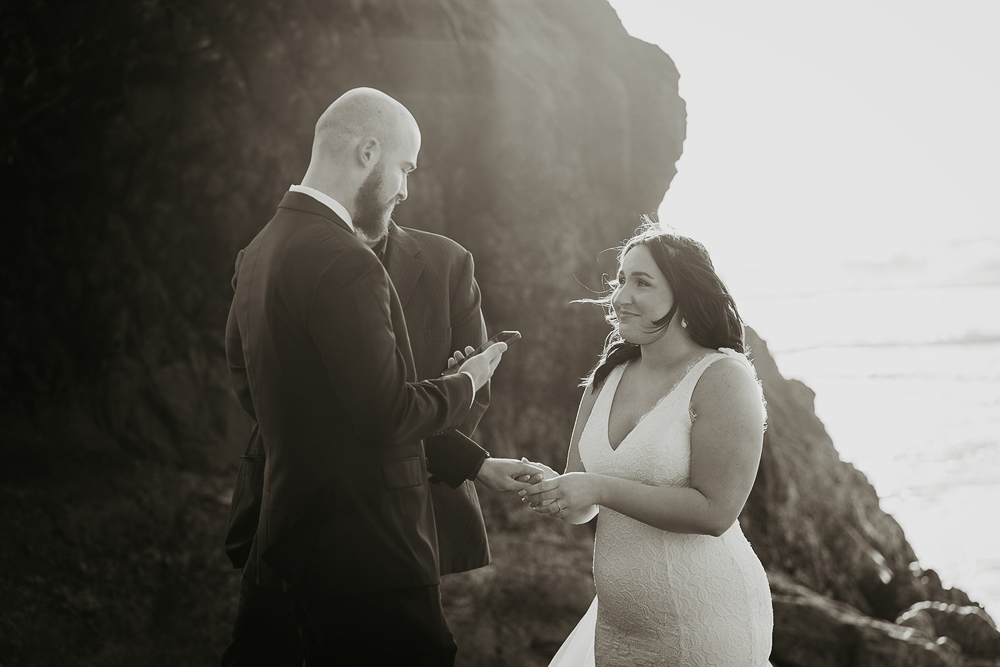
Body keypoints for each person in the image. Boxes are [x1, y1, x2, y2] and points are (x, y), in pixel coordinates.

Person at [224, 87, 542, 666]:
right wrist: (465, 381)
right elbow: (386, 413)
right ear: (369, 152)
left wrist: (470, 458)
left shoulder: (259, 250)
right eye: (404, 167)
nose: (405, 187)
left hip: (286, 538)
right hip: (370, 551)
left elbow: (251, 382)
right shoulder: (348, 260)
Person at [221, 216, 510, 666]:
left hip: (396, 524)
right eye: (402, 170)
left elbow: (473, 394)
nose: (404, 190)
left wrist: (454, 429)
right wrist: (471, 462)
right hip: (289, 512)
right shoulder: (267, 257)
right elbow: (261, 391)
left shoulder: (449, 261)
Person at [522, 223, 773, 666]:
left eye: (642, 282)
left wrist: (597, 487)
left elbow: (716, 512)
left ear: (685, 297)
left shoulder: (723, 378)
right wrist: (553, 489)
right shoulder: (607, 377)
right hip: (619, 628)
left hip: (706, 622)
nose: (620, 296)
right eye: (620, 280)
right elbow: (583, 506)